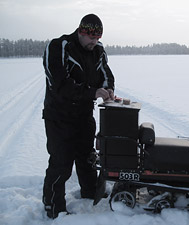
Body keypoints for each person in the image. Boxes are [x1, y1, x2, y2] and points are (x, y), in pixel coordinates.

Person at [42, 14, 115, 219]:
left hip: (83, 115)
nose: (95, 42)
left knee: (86, 157)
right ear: (82, 31)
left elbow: (106, 75)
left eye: (98, 38)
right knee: (61, 161)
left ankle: (90, 190)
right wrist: (92, 92)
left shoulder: (98, 51)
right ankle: (53, 206)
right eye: (92, 37)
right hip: (59, 116)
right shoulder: (59, 46)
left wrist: (107, 90)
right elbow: (59, 84)